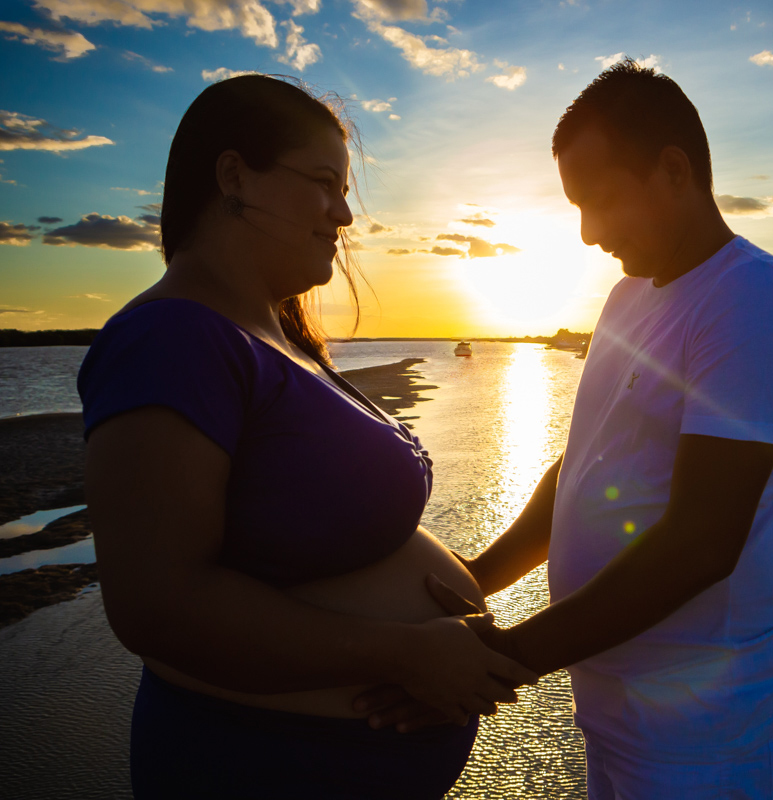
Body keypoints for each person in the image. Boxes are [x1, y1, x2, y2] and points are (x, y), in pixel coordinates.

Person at [363, 58, 773, 797]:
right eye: (575, 206)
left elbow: (701, 542)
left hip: (715, 728)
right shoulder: (627, 297)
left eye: (601, 200)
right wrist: (473, 584)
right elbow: (577, 475)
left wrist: (501, 659)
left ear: (674, 171)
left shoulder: (753, 298)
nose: (586, 233)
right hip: (621, 710)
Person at [78, 74, 535, 799]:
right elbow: (157, 604)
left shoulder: (279, 338)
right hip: (255, 768)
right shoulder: (171, 338)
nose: (345, 214)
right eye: (324, 182)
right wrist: (407, 651)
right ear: (234, 175)